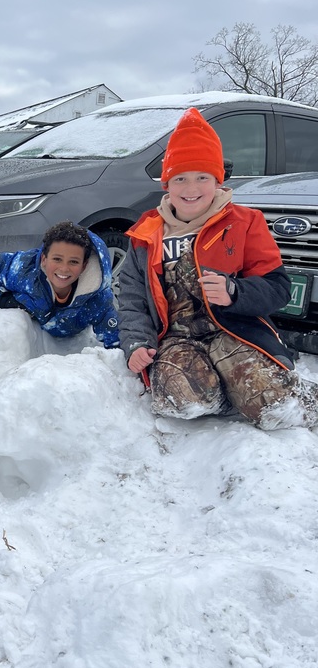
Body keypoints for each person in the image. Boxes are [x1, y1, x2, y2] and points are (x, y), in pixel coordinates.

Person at [118, 107, 318, 428]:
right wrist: (136, 343)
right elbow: (131, 299)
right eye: (180, 178)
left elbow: (278, 288)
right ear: (167, 183)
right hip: (175, 339)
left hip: (233, 332)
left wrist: (235, 292)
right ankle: (228, 393)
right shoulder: (147, 230)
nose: (191, 188)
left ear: (217, 180)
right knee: (180, 402)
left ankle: (258, 389)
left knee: (274, 407)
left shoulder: (245, 222)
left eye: (202, 177)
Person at [0, 221, 120, 347]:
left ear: (84, 265)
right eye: (57, 259)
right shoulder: (24, 270)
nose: (64, 268)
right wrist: (0, 300)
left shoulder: (97, 299)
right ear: (43, 259)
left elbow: (115, 342)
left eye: (73, 262)